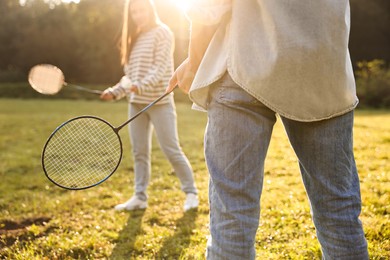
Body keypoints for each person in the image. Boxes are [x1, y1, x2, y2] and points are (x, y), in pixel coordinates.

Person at [166, 0, 369, 259]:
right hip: (323, 67)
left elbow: (209, 8)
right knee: (338, 210)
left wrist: (195, 63)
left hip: (244, 63)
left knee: (233, 215)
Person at [100, 0, 198, 212]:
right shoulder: (133, 38)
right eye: (134, 11)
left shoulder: (163, 32)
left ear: (150, 9)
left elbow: (161, 68)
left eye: (141, 9)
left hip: (159, 102)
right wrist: (115, 91)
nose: (138, 14)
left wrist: (140, 86)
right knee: (139, 152)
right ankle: (139, 197)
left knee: (171, 149)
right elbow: (129, 76)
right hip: (136, 105)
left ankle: (191, 193)